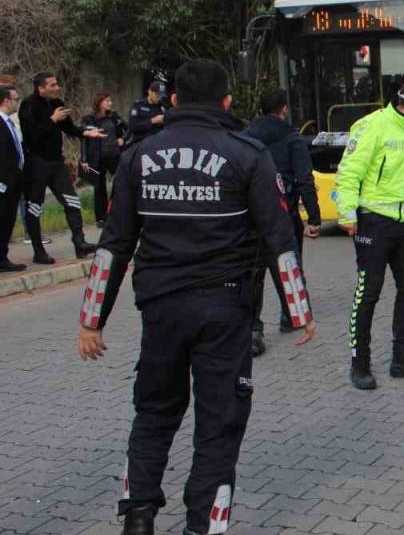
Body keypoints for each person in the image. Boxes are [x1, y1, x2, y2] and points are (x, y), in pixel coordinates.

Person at [76, 59, 317, 535]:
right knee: (219, 424)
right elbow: (278, 240)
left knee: (154, 412)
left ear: (172, 102)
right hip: (225, 311)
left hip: (161, 311)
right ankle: (203, 526)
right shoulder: (247, 154)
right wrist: (299, 310)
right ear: (227, 102)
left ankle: (138, 515)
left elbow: (113, 245)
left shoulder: (138, 157)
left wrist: (91, 320)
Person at [336, 75, 404, 390]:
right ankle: (360, 363)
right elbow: (349, 171)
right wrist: (347, 213)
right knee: (368, 293)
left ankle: (402, 359)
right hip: (374, 223)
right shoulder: (372, 126)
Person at [244, 89, 321, 357]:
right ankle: (293, 315)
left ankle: (253, 330)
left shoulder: (246, 137)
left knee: (254, 273)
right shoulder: (292, 138)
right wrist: (314, 217)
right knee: (289, 263)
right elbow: (304, 178)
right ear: (284, 109)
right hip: (283, 211)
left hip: (251, 214)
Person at [18, 73, 106, 263]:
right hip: (37, 163)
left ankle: (80, 243)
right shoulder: (28, 105)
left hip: (56, 163)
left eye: (57, 84)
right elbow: (32, 136)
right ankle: (39, 251)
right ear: (41, 88)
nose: (57, 87)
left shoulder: (57, 103)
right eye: (53, 85)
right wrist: (52, 119)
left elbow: (70, 128)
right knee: (34, 207)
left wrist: (86, 132)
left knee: (72, 201)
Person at [81, 92, 128, 227]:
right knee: (99, 188)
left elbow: (129, 129)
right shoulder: (88, 119)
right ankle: (101, 218)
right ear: (100, 102)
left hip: (114, 155)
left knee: (120, 182)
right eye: (107, 101)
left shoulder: (114, 117)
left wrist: (122, 140)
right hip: (97, 157)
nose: (110, 103)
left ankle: (116, 212)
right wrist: (84, 159)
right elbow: (83, 139)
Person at [0, 85, 26, 272]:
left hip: (14, 179)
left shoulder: (10, 123)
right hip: (2, 182)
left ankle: (2, 257)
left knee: (8, 219)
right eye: (15, 99)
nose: (18, 102)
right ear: (6, 100)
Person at [127, 81, 167, 145]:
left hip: (157, 144)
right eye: (157, 95)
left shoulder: (162, 107)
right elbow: (132, 126)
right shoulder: (138, 105)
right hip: (140, 143)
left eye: (161, 95)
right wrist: (152, 121)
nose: (159, 98)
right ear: (149, 91)